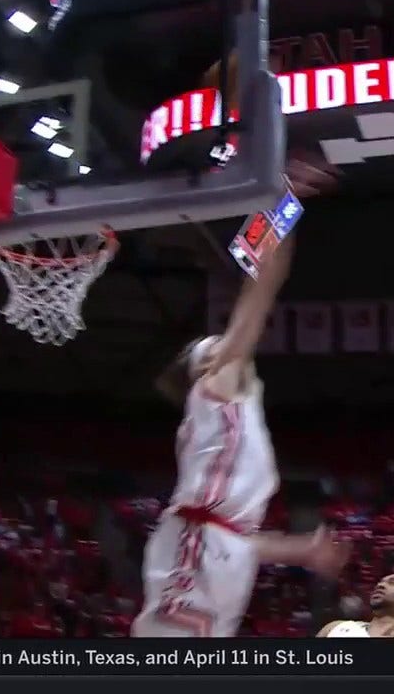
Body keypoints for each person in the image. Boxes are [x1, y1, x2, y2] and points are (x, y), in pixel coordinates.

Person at [131, 154, 346, 638]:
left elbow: (236, 539)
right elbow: (262, 288)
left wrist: (301, 551)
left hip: (210, 548)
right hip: (200, 547)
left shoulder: (227, 407)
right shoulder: (215, 387)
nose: (220, 341)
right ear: (203, 366)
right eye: (207, 345)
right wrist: (280, 197)